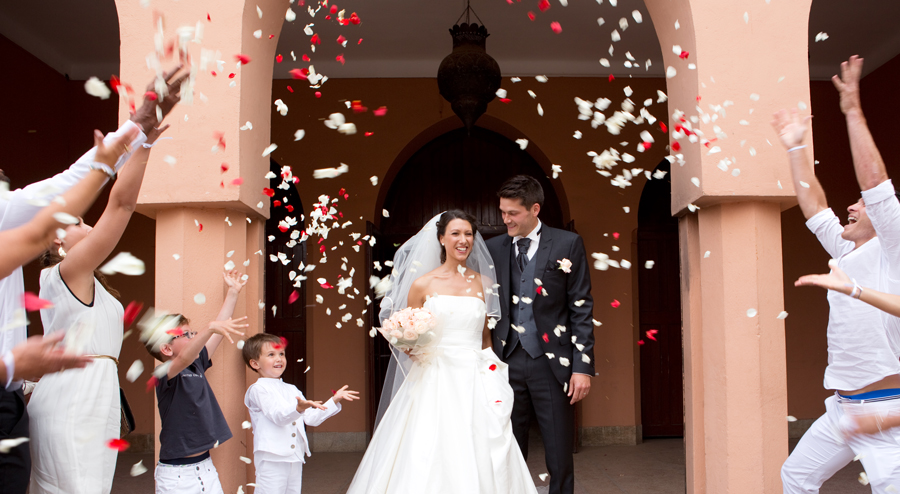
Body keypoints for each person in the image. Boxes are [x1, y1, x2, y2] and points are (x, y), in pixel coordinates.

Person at [0, 66, 182, 494]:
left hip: (92, 395)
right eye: (76, 221)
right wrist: (142, 143)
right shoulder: (65, 272)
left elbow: (82, 185)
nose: (83, 220)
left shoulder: (90, 280)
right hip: (72, 398)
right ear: (56, 242)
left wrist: (143, 136)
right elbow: (118, 208)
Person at [346, 210, 537, 493]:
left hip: (475, 377)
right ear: (441, 239)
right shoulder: (422, 285)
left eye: (468, 234)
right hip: (433, 377)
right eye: (455, 234)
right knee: (430, 447)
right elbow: (407, 332)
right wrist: (410, 345)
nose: (463, 240)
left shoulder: (484, 284)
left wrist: (494, 376)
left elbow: (486, 338)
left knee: (484, 444)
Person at [773, 98, 900, 490]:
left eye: (860, 205)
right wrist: (795, 146)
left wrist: (851, 110)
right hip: (842, 409)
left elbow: (876, 182)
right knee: (795, 477)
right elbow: (813, 204)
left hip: (887, 411)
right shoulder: (847, 252)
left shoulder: (892, 250)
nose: (852, 206)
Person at [485, 175, 595, 494]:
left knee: (559, 453)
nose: (505, 219)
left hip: (553, 365)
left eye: (513, 213)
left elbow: (581, 308)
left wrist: (582, 366)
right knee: (508, 451)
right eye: (503, 212)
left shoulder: (567, 244)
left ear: (534, 209)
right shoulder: (493, 248)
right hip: (505, 363)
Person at [147, 271, 249, 494]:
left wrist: (233, 292)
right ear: (166, 349)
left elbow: (217, 332)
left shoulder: (197, 364)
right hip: (176, 476)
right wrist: (209, 328)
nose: (193, 337)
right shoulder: (164, 373)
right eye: (186, 334)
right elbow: (183, 358)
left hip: (206, 468)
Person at [242, 333, 359, 494]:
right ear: (255, 363)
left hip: (295, 456)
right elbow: (277, 416)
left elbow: (311, 418)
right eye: (271, 355)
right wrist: (298, 409)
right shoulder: (258, 389)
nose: (279, 359)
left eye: (281, 354)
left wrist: (334, 400)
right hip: (271, 458)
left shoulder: (292, 389)